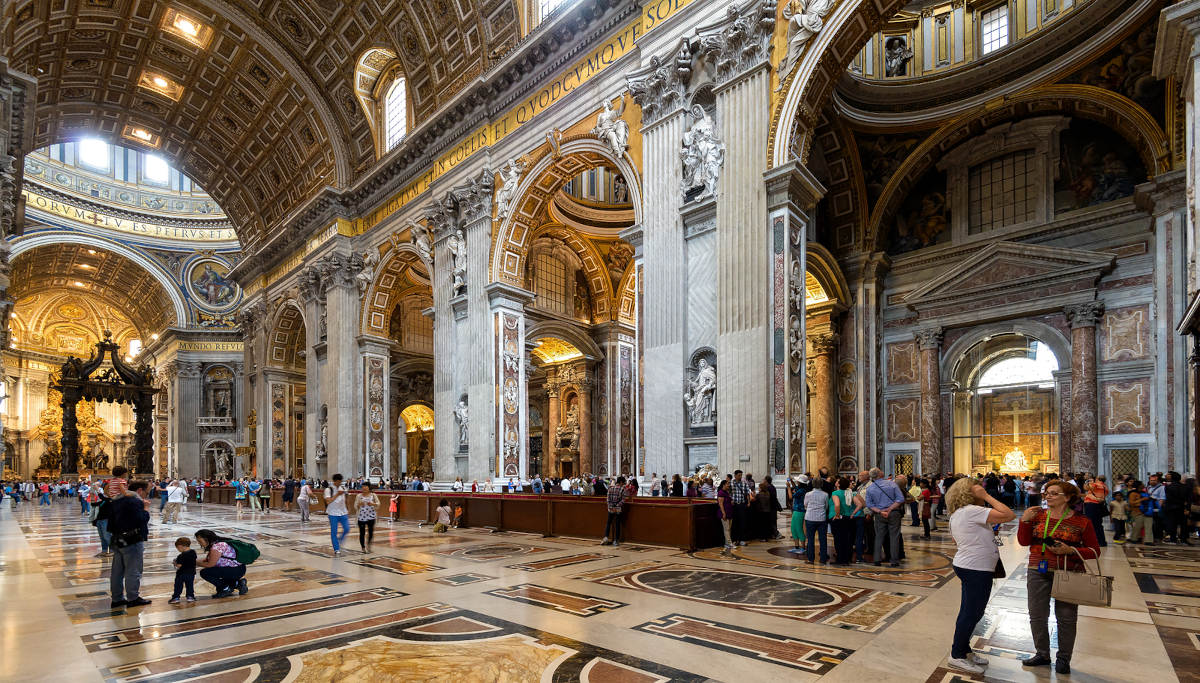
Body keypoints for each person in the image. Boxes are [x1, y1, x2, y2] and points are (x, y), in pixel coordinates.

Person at [1017, 480, 1101, 674]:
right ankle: (1042, 654)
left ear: (1068, 497)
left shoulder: (1082, 521)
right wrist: (1025, 521)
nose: (1048, 496)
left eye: (1054, 493)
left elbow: (1095, 551)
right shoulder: (1038, 516)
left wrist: (1070, 550)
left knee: (1066, 618)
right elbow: (1024, 541)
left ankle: (1064, 658)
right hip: (1038, 569)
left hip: (1067, 571)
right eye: (1047, 492)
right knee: (1037, 615)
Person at [945, 477, 1015, 674]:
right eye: (979, 488)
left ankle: (964, 649)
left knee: (972, 611)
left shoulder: (960, 513)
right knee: (971, 612)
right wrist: (986, 496)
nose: (982, 490)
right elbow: (1008, 514)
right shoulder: (971, 511)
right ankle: (957, 655)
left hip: (970, 565)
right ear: (971, 492)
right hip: (975, 567)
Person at [107, 480, 152, 609]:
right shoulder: (135, 502)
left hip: (116, 538)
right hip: (132, 539)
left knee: (117, 570)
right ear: (139, 490)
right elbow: (141, 519)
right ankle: (133, 598)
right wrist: (146, 509)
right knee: (133, 570)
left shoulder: (115, 500)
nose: (146, 496)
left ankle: (117, 599)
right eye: (146, 492)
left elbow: (110, 523)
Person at [864, 468, 906, 566]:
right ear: (879, 474)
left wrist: (880, 511)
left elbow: (869, 504)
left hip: (879, 514)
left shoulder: (870, 488)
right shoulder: (892, 484)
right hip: (894, 513)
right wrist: (890, 509)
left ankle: (877, 559)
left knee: (879, 536)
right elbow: (900, 499)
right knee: (894, 537)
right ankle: (894, 561)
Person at [195, 529, 247, 598]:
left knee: (205, 572)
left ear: (207, 539)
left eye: (200, 541)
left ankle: (226, 588)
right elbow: (208, 560)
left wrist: (194, 562)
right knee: (219, 584)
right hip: (239, 568)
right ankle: (238, 583)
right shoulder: (219, 542)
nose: (199, 543)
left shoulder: (216, 547)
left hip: (234, 570)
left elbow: (210, 564)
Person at [830, 477, 857, 565]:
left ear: (839, 484)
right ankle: (846, 559)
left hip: (839, 518)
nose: (836, 481)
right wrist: (853, 513)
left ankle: (840, 559)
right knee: (846, 539)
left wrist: (837, 515)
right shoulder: (849, 492)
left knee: (838, 539)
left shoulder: (835, 493)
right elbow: (861, 504)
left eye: (837, 481)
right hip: (848, 517)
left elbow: (837, 505)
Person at [803, 479, 830, 564]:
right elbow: (826, 506)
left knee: (810, 539)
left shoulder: (808, 494)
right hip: (821, 518)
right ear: (821, 484)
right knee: (823, 539)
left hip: (810, 518)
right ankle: (823, 559)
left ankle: (811, 559)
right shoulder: (825, 494)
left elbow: (805, 504)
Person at [324, 474, 350, 556]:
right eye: (338, 482)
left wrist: (348, 507)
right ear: (334, 481)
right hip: (333, 513)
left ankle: (339, 540)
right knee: (334, 531)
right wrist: (337, 494)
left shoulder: (343, 488)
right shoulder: (329, 490)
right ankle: (336, 548)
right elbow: (328, 501)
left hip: (343, 512)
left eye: (341, 481)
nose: (339, 483)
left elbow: (347, 498)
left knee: (347, 529)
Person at [601, 476, 628, 546]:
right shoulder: (622, 489)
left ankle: (606, 538)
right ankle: (616, 540)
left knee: (608, 523)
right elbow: (623, 500)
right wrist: (617, 506)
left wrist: (611, 506)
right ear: (621, 482)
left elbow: (608, 499)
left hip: (611, 509)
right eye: (623, 482)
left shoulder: (610, 488)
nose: (624, 484)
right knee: (617, 524)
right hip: (618, 509)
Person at [169, 536, 197, 604]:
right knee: (190, 585)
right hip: (191, 573)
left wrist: (175, 563)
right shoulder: (193, 552)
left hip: (181, 574)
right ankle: (190, 597)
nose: (178, 549)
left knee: (178, 586)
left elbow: (179, 565)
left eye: (178, 548)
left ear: (181, 546)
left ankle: (176, 597)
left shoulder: (181, 556)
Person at [1082, 475, 1109, 547]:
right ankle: (1102, 541)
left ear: (1097, 479)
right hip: (1099, 506)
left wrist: (1087, 481)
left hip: (1091, 505)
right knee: (1098, 524)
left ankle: (1094, 542)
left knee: (1091, 524)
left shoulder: (1096, 484)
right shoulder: (1105, 487)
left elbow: (1085, 487)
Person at [729, 470, 754, 546]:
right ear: (735, 475)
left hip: (742, 504)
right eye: (739, 475)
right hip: (735, 505)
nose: (740, 477)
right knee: (735, 523)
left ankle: (742, 539)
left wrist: (749, 502)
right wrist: (731, 500)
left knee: (743, 522)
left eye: (741, 475)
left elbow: (747, 493)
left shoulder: (744, 483)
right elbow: (728, 493)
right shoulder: (731, 483)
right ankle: (734, 539)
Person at [1127, 481, 1155, 545]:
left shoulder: (1145, 493)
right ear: (1139, 485)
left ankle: (1149, 541)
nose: (1143, 485)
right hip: (1137, 512)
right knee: (1137, 526)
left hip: (1147, 511)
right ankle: (1134, 538)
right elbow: (1131, 503)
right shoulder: (1132, 494)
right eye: (1142, 484)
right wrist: (1142, 499)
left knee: (1149, 526)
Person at [355, 483, 379, 552]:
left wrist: (372, 504)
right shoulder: (359, 496)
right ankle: (363, 547)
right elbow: (355, 506)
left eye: (366, 486)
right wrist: (359, 505)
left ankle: (369, 545)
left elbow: (378, 504)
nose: (364, 488)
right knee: (362, 533)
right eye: (363, 487)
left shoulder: (373, 495)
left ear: (369, 487)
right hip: (361, 517)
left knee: (371, 532)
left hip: (371, 516)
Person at [789, 475, 809, 555]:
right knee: (793, 528)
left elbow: (791, 497)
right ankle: (796, 546)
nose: (796, 482)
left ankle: (803, 547)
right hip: (796, 510)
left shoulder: (802, 491)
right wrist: (791, 482)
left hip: (800, 511)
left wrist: (788, 488)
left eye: (797, 481)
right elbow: (795, 487)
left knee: (798, 528)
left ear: (800, 482)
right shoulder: (801, 489)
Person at [716, 479, 734, 554]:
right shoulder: (720, 493)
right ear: (723, 485)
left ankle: (727, 544)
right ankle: (730, 543)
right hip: (724, 513)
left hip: (729, 512)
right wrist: (723, 513)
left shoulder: (727, 492)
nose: (729, 485)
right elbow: (720, 504)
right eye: (727, 484)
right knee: (726, 529)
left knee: (729, 528)